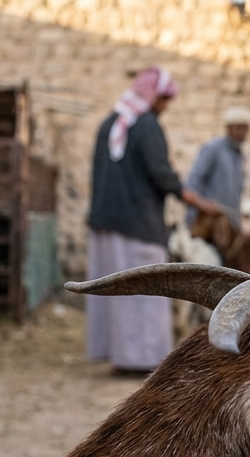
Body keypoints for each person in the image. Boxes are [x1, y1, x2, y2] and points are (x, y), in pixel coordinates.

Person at [86, 67, 219, 373]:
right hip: (138, 225)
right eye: (163, 99)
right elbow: (161, 174)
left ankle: (119, 356)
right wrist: (195, 201)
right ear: (153, 96)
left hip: (106, 222)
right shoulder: (146, 126)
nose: (164, 107)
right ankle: (141, 358)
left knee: (114, 293)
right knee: (142, 292)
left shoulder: (111, 123)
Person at [185, 106, 250, 225]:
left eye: (245, 129)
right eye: (239, 128)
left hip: (228, 222)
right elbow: (195, 179)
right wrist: (197, 211)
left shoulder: (239, 154)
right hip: (208, 219)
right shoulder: (213, 148)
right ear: (229, 128)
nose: (243, 133)